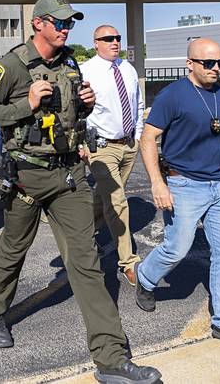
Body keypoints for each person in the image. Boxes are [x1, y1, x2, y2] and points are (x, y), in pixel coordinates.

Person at [0, 0, 160, 384]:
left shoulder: (71, 63)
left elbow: (70, 115)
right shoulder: (12, 66)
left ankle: (110, 359)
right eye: (58, 22)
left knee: (87, 262)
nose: (65, 28)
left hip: (70, 174)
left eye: (69, 23)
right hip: (27, 176)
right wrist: (26, 105)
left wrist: (86, 105)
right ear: (38, 23)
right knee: (13, 248)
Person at [135, 37, 220, 352]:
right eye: (208, 63)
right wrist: (158, 183)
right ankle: (145, 277)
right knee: (176, 249)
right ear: (190, 64)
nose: (216, 68)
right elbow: (148, 138)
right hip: (183, 185)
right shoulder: (173, 95)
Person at [81, 25, 144, 286]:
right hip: (101, 148)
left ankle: (83, 234)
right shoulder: (86, 71)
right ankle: (128, 262)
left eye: (117, 38)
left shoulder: (128, 69)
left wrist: (137, 135)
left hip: (128, 145)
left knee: (104, 198)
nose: (114, 42)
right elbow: (77, 111)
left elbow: (138, 102)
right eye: (108, 39)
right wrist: (81, 144)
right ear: (96, 43)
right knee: (118, 202)